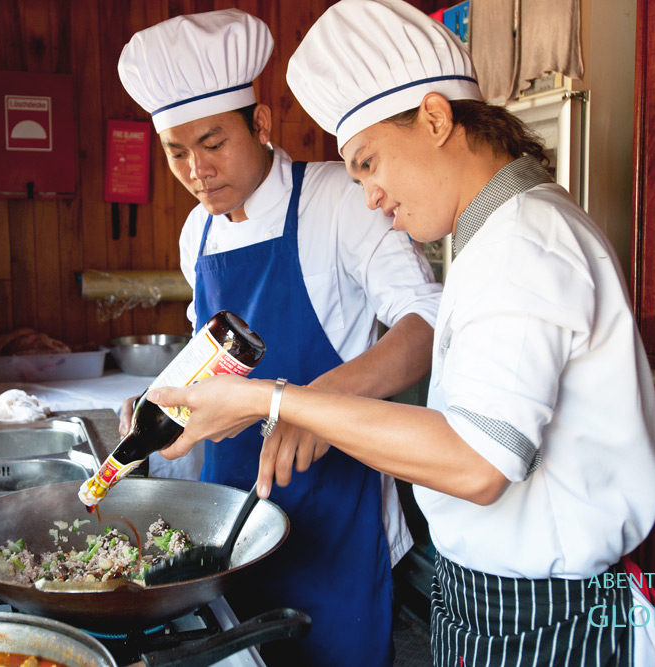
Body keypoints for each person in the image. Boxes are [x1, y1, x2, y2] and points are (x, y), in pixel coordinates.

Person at [146, 1, 655, 665]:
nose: (367, 193)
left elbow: (478, 464)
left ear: (434, 118)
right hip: (497, 602)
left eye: (368, 162)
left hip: (549, 617)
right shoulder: (498, 234)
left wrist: (274, 400)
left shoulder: (523, 242)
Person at [115, 8, 442, 666]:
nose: (197, 170)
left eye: (213, 143)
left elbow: (429, 322)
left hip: (337, 527)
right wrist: (161, 400)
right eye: (177, 152)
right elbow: (212, 357)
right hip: (229, 527)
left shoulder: (337, 200)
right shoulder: (195, 234)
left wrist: (314, 400)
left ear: (259, 125)